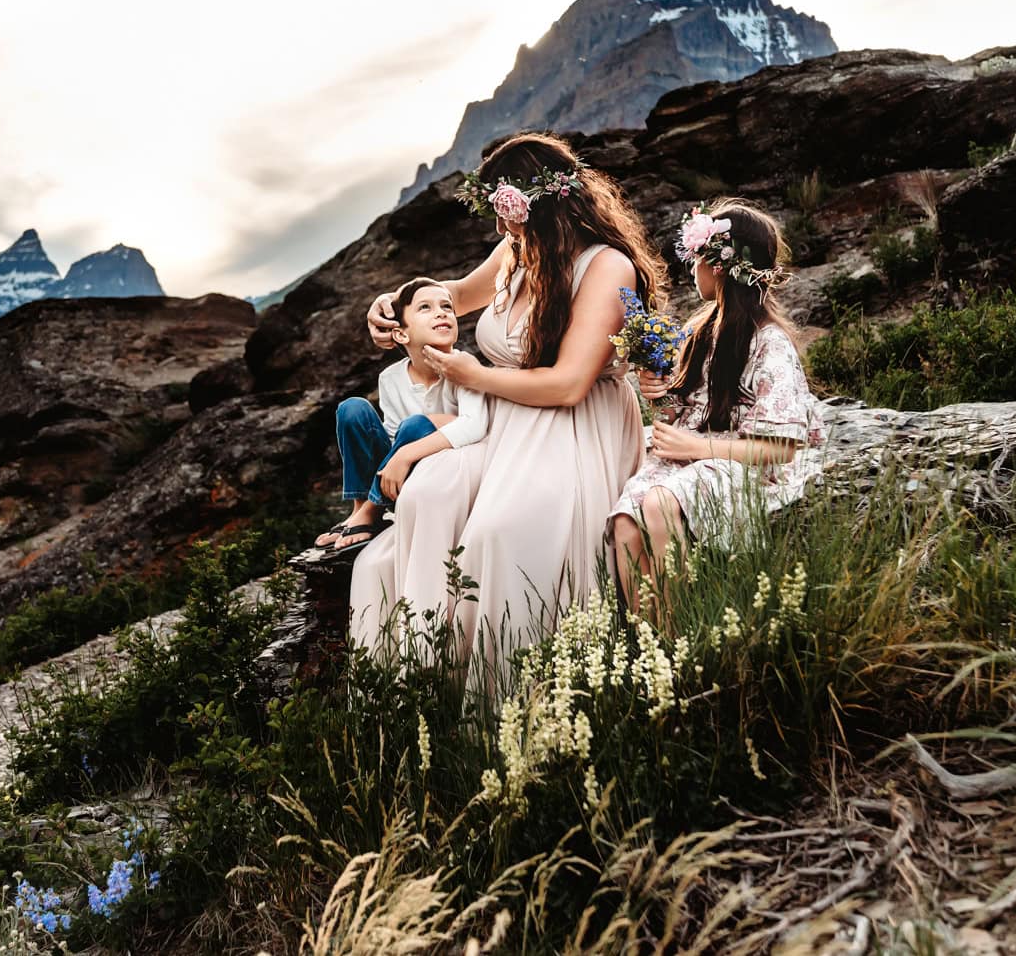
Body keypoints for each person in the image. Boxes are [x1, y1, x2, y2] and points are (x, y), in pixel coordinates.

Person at [349, 132, 665, 680]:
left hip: (575, 426)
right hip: (502, 422)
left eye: (504, 211)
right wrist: (394, 302)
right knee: (429, 490)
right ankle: (423, 671)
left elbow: (569, 384)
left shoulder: (606, 266)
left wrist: (479, 375)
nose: (498, 228)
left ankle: (511, 687)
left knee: (499, 531)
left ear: (538, 203)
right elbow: (455, 295)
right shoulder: (516, 250)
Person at [605, 198, 824, 608]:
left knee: (659, 503)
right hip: (693, 460)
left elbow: (780, 448)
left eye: (697, 257)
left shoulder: (769, 343)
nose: (692, 267)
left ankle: (675, 633)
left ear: (719, 265)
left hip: (748, 469)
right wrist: (659, 394)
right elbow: (683, 413)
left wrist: (694, 447)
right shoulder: (699, 330)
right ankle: (647, 639)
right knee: (625, 520)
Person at [316, 277, 488, 553]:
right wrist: (400, 454)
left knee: (416, 424)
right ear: (401, 334)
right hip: (399, 481)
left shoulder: (464, 366)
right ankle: (360, 508)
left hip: (445, 478)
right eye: (426, 308)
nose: (442, 312)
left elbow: (476, 426)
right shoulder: (391, 377)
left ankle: (371, 511)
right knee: (353, 408)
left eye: (446, 306)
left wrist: (406, 452)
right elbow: (394, 435)